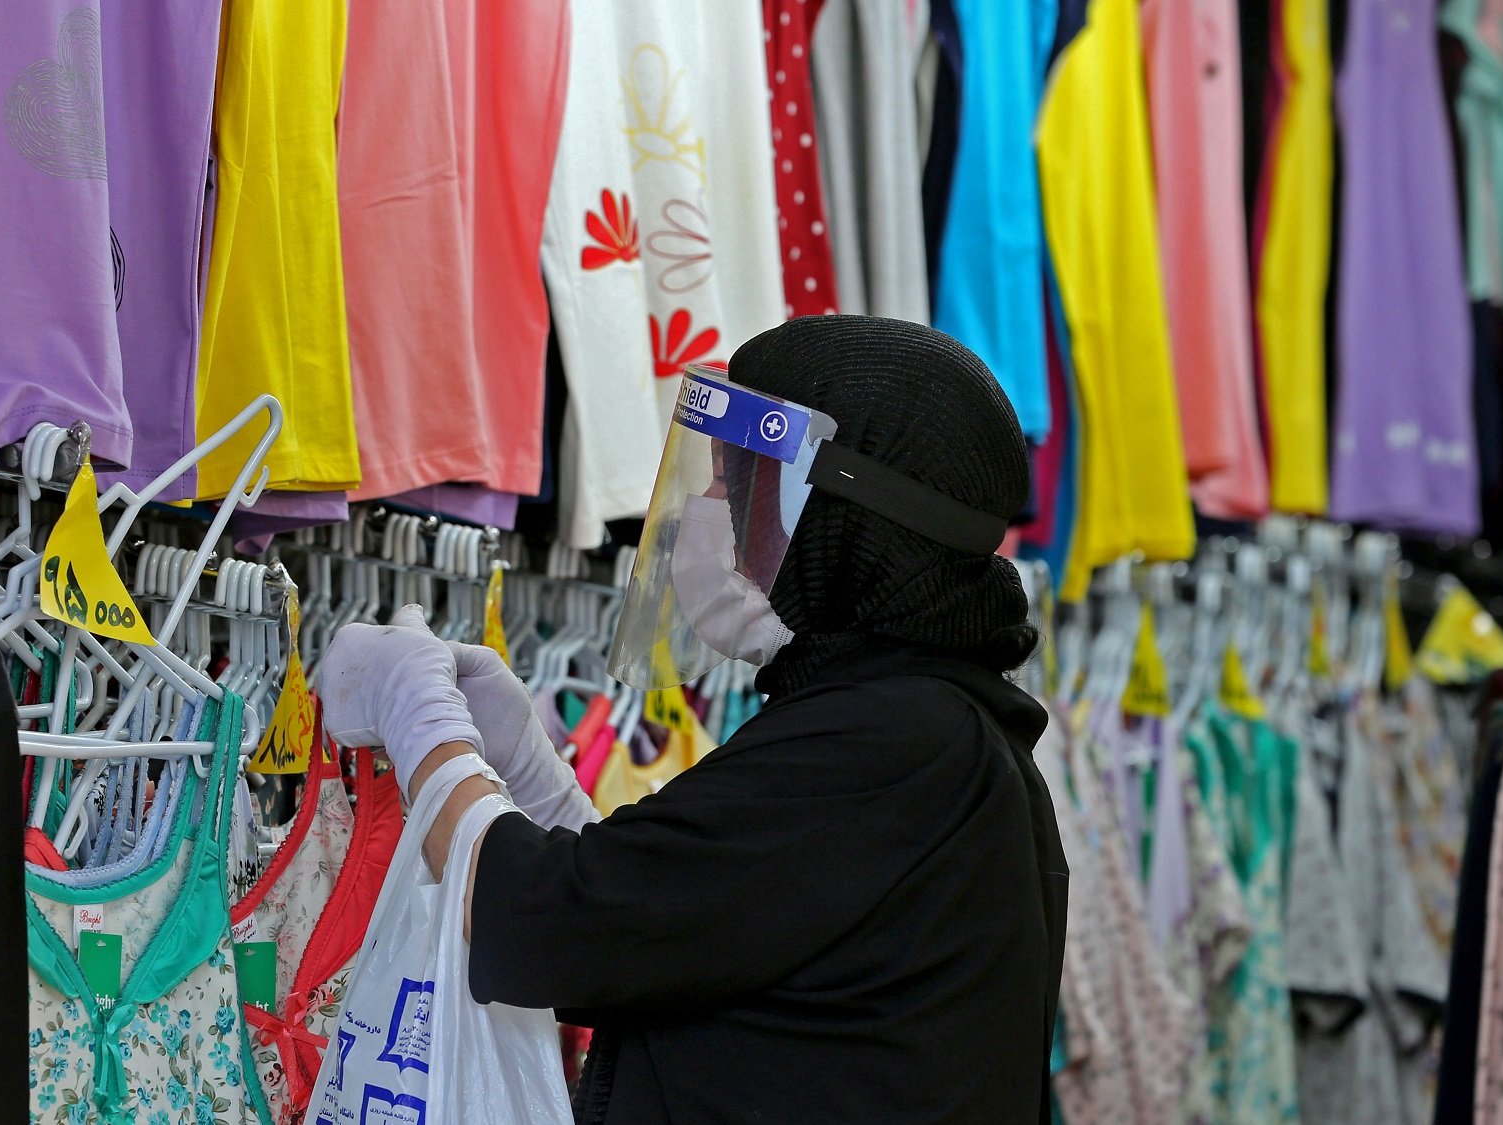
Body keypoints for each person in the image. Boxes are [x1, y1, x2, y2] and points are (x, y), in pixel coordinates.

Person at [317, 316, 1068, 1123]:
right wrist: (525, 771)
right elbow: (670, 922)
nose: (708, 511)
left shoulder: (893, 745)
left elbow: (552, 927)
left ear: (837, 519)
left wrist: (423, 723)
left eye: (733, 483)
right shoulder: (933, 731)